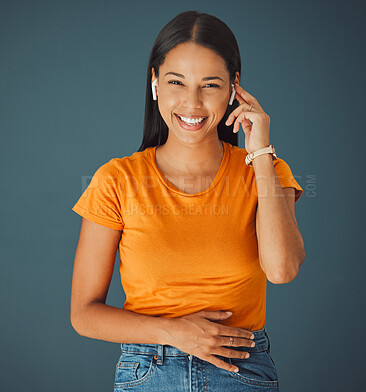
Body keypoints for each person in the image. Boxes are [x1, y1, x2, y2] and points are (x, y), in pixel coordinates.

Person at [70, 10, 304, 392]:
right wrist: (176, 333)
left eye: (210, 85)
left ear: (235, 87)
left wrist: (260, 150)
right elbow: (83, 314)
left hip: (241, 374)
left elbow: (282, 270)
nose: (192, 103)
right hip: (148, 371)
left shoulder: (265, 172)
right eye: (176, 81)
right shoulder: (116, 180)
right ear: (155, 82)